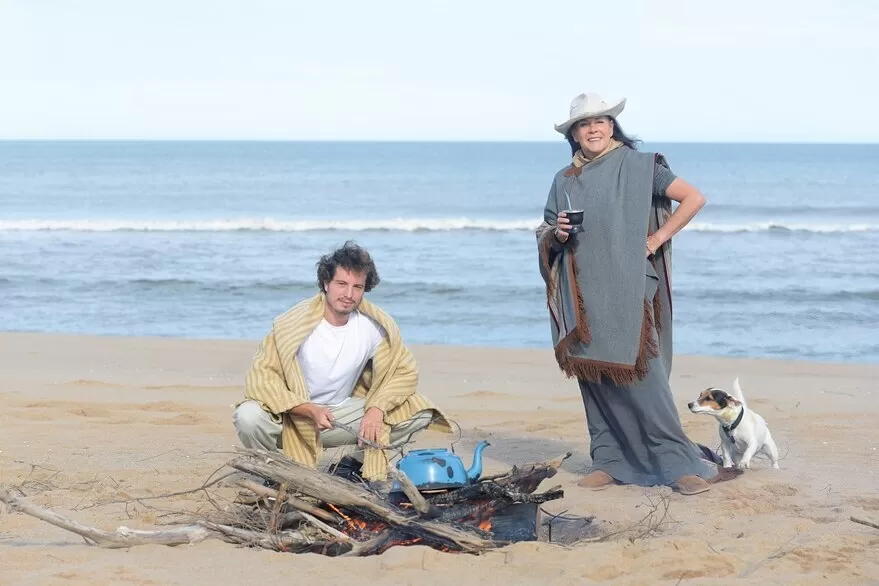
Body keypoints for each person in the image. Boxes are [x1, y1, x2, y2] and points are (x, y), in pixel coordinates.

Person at [536, 92, 720, 495]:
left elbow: (694, 198)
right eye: (584, 124)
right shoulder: (564, 179)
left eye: (600, 121)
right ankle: (610, 460)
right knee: (597, 382)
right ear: (574, 134)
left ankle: (678, 464)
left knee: (646, 380)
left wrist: (655, 239)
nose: (593, 129)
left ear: (612, 125)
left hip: (629, 289)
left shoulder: (640, 166)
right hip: (581, 295)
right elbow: (547, 230)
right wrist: (558, 232)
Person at [233, 241, 451, 483]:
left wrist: (376, 408)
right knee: (248, 416)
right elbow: (260, 380)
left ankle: (352, 465)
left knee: (418, 411)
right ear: (326, 283)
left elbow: (405, 372)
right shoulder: (293, 324)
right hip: (292, 417)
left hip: (339, 416)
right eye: (341, 284)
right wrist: (308, 409)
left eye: (357, 287)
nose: (349, 295)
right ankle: (273, 472)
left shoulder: (374, 326)